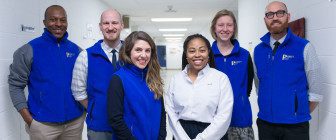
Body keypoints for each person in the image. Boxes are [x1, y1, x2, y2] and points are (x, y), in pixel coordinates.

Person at [8, 5, 84, 140]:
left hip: (74, 123)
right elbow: (15, 86)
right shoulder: (28, 50)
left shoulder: (77, 51)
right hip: (43, 126)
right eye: (53, 20)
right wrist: (29, 120)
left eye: (63, 20)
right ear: (44, 22)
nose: (58, 24)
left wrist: (84, 110)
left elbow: (84, 83)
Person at [254, 1, 323, 140]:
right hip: (265, 124)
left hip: (295, 127)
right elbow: (259, 86)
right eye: (270, 14)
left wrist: (298, 113)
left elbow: (316, 93)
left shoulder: (304, 47)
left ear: (288, 16)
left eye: (280, 13)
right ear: (265, 20)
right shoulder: (258, 50)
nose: (275, 18)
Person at [165, 34, 233, 140]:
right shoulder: (176, 79)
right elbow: (171, 112)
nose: (197, 55)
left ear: (208, 53)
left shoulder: (221, 79)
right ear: (186, 55)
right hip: (181, 134)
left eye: (202, 50)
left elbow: (224, 116)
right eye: (192, 51)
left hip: (213, 134)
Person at [71, 9, 124, 140]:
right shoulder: (85, 56)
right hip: (99, 127)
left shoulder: (132, 54)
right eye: (106, 23)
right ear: (100, 26)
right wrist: (95, 108)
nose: (110, 27)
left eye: (115, 23)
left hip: (128, 124)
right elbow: (78, 92)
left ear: (122, 25)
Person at [107, 31, 166, 139]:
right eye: (138, 50)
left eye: (147, 51)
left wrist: (161, 137)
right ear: (128, 51)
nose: (143, 55)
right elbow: (116, 120)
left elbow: (161, 112)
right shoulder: (119, 79)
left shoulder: (153, 78)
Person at [210, 9, 254, 140]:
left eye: (229, 25)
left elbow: (248, 87)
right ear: (214, 28)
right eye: (220, 25)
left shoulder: (244, 55)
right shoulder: (206, 56)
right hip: (212, 121)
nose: (225, 29)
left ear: (234, 28)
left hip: (240, 120)